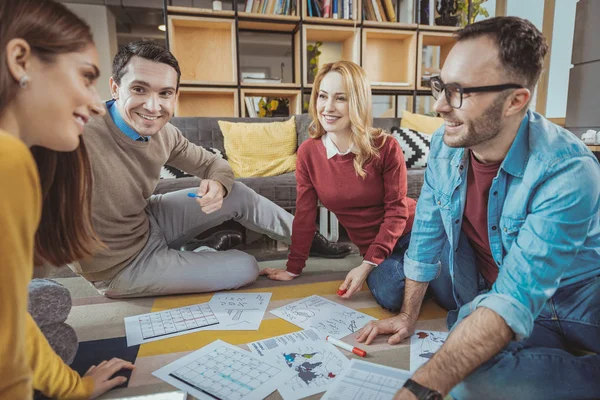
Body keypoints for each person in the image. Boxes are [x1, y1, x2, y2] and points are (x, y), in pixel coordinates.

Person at [356, 16, 600, 400]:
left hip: (579, 297)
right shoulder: (444, 145)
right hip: (495, 289)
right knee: (466, 376)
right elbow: (426, 233)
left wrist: (417, 390)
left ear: (516, 100)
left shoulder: (567, 169)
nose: (438, 106)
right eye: (439, 86)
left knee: (451, 367)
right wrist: (407, 315)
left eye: (458, 92)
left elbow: (516, 297)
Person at [72, 40, 351, 298]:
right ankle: (197, 252)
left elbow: (213, 164)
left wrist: (217, 183)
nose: (153, 106)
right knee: (246, 268)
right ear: (114, 88)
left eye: (165, 93)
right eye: (139, 89)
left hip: (147, 220)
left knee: (237, 191)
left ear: (175, 95)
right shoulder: (74, 135)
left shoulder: (165, 133)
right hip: (123, 265)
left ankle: (307, 239)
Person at [0, 0, 135, 399]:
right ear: (21, 60)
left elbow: (11, 320)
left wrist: (74, 387)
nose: (96, 105)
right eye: (85, 76)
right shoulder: (9, 160)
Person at [260, 61, 417, 311]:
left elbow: (397, 211)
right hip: (374, 249)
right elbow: (304, 215)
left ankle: (431, 266)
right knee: (392, 295)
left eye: (340, 98)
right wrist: (293, 268)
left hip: (412, 232)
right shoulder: (309, 153)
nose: (328, 107)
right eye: (323, 96)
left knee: (449, 290)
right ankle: (425, 272)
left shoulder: (385, 146)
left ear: (357, 102)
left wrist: (367, 264)